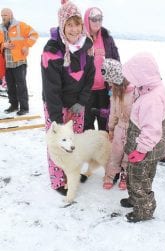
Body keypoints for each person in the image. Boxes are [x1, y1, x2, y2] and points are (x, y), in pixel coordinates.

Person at [41, 0, 95, 196]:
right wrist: (56, 118)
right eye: (69, 24)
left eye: (77, 24)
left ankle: (71, 174)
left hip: (76, 106)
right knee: (57, 143)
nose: (74, 29)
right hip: (56, 106)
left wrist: (82, 101)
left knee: (73, 142)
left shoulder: (87, 46)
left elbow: (89, 77)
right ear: (62, 25)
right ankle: (58, 180)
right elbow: (51, 88)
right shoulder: (52, 49)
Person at [121, 53, 165, 223]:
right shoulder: (149, 87)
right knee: (137, 176)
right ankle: (135, 200)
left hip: (145, 147)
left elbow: (152, 129)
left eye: (133, 76)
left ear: (143, 76)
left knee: (140, 180)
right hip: (147, 146)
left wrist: (141, 150)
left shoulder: (152, 99)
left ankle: (144, 210)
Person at [83, 7, 120, 131]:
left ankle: (104, 149)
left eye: (100, 19)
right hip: (86, 91)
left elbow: (115, 61)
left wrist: (115, 85)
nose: (97, 22)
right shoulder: (80, 37)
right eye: (94, 19)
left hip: (104, 90)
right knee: (87, 124)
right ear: (87, 20)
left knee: (105, 123)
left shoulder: (106, 38)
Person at [100, 58, 134, 190]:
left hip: (132, 128)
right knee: (115, 152)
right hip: (119, 127)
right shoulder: (114, 92)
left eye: (110, 81)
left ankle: (125, 174)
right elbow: (113, 112)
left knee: (127, 153)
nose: (109, 84)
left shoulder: (134, 92)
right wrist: (111, 128)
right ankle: (111, 175)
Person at [0, 8, 38, 115]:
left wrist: (27, 46)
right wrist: (4, 45)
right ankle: (13, 105)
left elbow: (34, 34)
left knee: (21, 85)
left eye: (5, 15)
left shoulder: (20, 25)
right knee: (10, 86)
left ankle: (24, 108)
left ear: (11, 15)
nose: (3, 17)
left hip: (19, 61)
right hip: (7, 63)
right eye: (2, 15)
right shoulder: (0, 28)